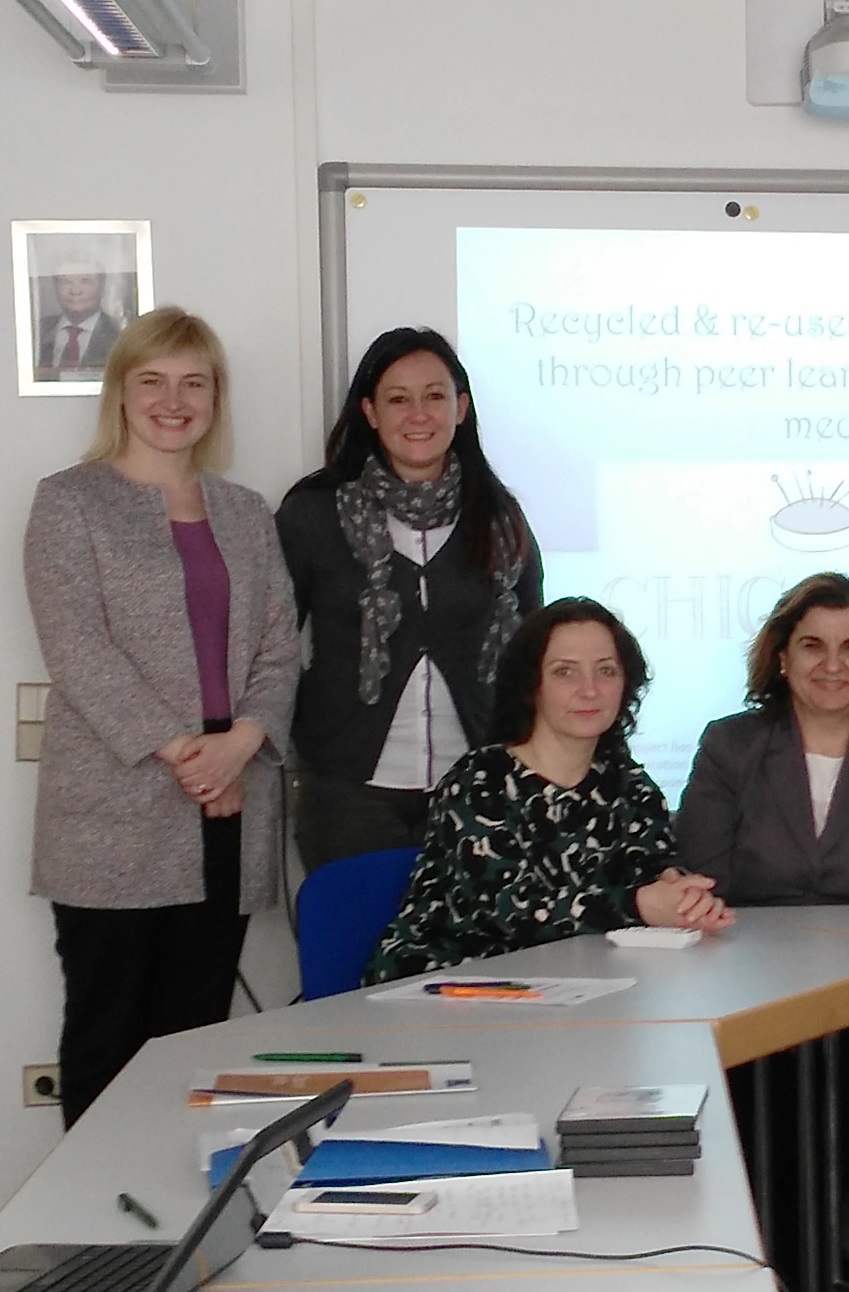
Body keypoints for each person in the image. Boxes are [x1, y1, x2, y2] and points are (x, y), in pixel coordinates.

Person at [24, 307, 300, 1126]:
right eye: (153, 381)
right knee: (107, 1034)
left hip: (231, 800)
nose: (173, 401)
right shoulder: (69, 502)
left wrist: (240, 744)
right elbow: (77, 649)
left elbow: (280, 644)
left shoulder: (245, 511)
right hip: (113, 811)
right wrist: (190, 753)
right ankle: (97, 1211)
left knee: (195, 1037)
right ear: (121, 392)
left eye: (194, 383)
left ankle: (180, 1204)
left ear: (216, 397)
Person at [675, 572, 849, 1286]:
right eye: (812, 645)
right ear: (781, 657)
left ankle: (782, 1257)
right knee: (774, 1075)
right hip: (743, 979)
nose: (833, 664)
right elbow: (703, 883)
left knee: (842, 1065)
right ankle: (798, 1256)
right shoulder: (730, 746)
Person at [277, 328, 542, 873]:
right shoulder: (312, 515)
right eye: (398, 398)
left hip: (476, 789)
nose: (418, 414)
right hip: (347, 794)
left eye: (435, 396)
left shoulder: (501, 520)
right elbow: (270, 647)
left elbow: (535, 652)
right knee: (356, 929)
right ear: (370, 412)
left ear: (460, 408)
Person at [365, 598, 732, 982]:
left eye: (606, 671)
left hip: (571, 983)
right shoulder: (480, 781)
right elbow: (512, 911)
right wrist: (639, 904)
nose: (589, 690)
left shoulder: (630, 785)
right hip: (444, 984)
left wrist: (681, 893)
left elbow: (654, 867)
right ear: (531, 686)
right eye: (565, 672)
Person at [36, 259, 123, 375]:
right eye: (65, 282)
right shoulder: (36, 331)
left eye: (85, 282)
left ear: (102, 286)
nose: (75, 291)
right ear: (55, 287)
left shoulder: (120, 334)